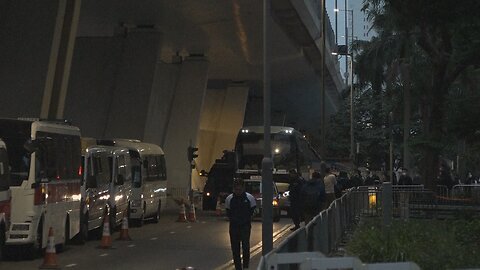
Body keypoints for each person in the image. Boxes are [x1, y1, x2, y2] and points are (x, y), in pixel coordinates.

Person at [225, 179, 257, 270]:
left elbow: (254, 210)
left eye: (240, 189)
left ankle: (246, 266)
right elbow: (228, 212)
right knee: (235, 248)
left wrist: (247, 219)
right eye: (236, 189)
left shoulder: (249, 198)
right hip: (234, 226)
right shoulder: (229, 199)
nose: (238, 191)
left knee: (246, 247)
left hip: (245, 226)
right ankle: (238, 267)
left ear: (243, 188)